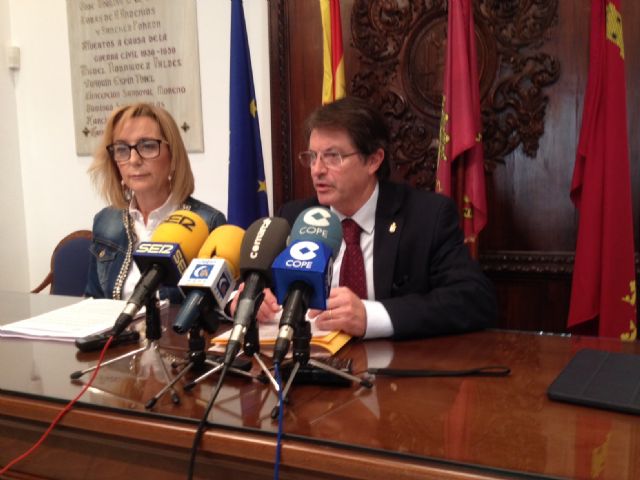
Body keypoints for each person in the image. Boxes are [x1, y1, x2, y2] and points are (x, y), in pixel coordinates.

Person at [258, 96, 497, 339]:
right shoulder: (295, 218)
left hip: (396, 361)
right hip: (307, 358)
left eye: (332, 157)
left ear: (373, 160)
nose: (317, 170)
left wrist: (370, 316)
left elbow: (474, 299)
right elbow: (258, 285)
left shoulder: (426, 217)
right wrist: (250, 301)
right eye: (312, 157)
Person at [85, 102, 225, 303]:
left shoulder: (207, 222)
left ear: (173, 156)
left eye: (148, 146)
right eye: (122, 149)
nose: (134, 160)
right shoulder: (106, 221)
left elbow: (219, 307)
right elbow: (93, 300)